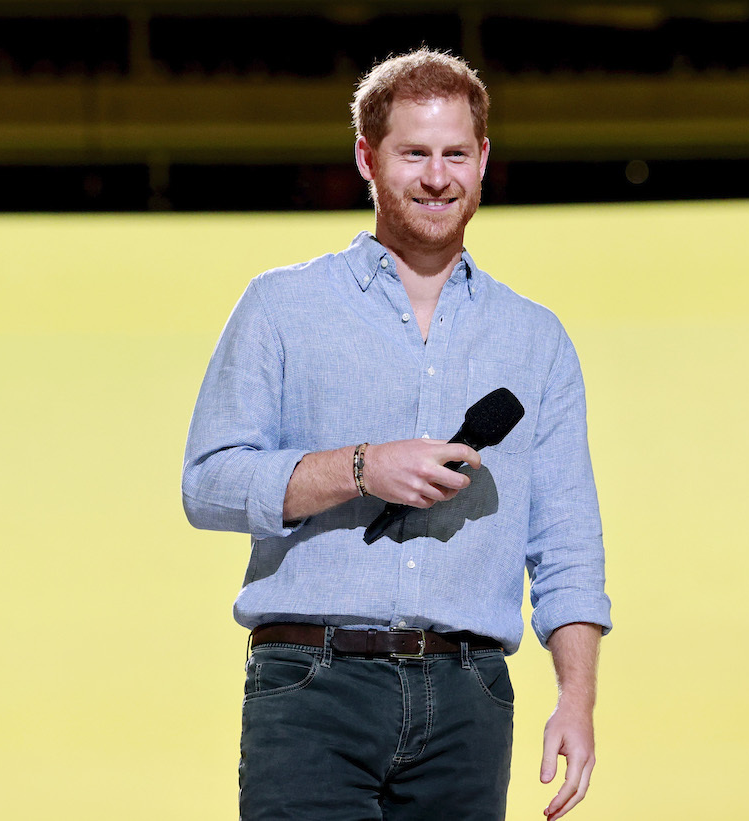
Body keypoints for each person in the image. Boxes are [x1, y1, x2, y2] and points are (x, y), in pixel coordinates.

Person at [182, 48, 611, 821]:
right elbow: (207, 482)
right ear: (367, 158)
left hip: (470, 691)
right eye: (414, 153)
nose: (438, 176)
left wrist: (575, 702)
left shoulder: (535, 338)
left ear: (483, 160)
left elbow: (568, 539)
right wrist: (359, 467)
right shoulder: (283, 306)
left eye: (455, 154)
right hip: (312, 681)